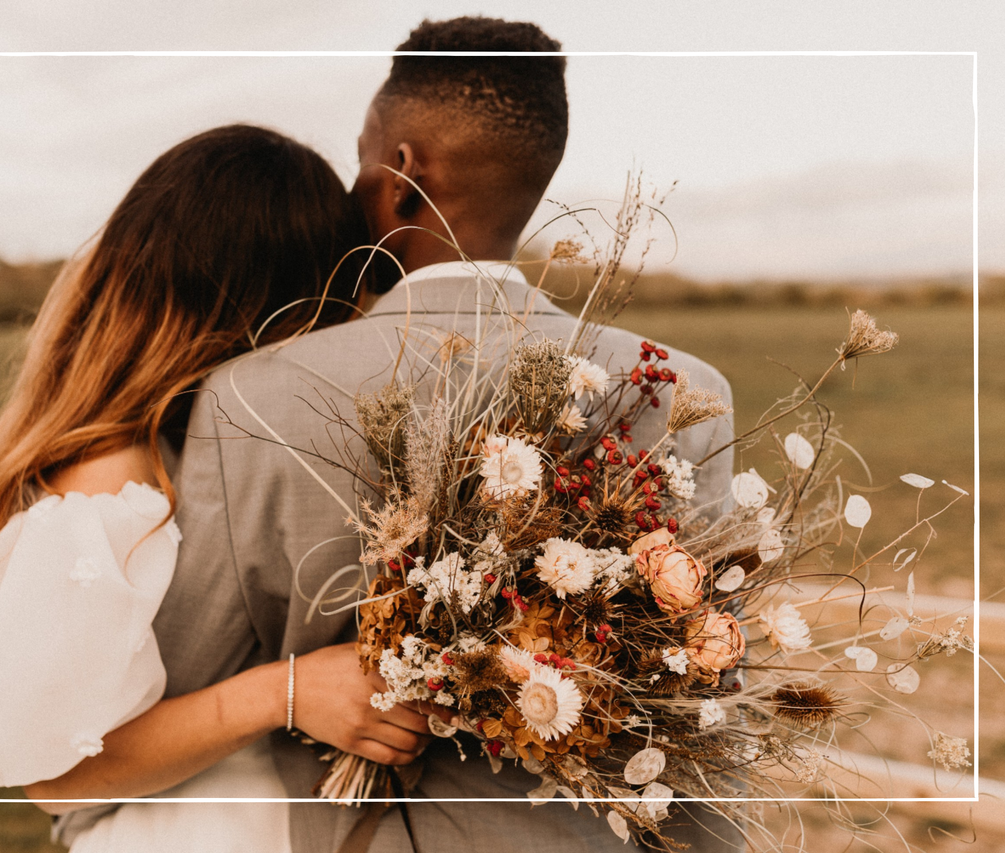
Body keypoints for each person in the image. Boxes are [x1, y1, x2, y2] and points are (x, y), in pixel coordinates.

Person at [126, 16, 744, 853]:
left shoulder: (252, 395)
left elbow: (173, 691)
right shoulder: (682, 393)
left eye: (361, 157)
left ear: (402, 171)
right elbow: (705, 694)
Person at [0, 124, 434, 853]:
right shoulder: (115, 477)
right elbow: (58, 775)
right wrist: (285, 691)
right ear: (278, 302)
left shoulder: (199, 444)